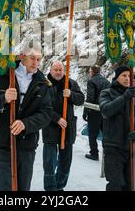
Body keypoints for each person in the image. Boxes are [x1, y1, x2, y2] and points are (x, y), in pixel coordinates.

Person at [0, 44, 52, 191]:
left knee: (23, 188)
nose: (36, 63)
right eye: (32, 58)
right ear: (21, 57)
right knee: (3, 188)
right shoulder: (3, 76)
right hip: (3, 143)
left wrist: (26, 124)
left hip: (27, 146)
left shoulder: (42, 82)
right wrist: (3, 99)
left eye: (39, 59)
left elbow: (46, 114)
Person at [99, 66, 135, 191]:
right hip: (113, 146)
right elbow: (106, 111)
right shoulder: (106, 93)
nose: (127, 78)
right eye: (124, 75)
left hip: (134, 147)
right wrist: (124, 97)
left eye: (129, 76)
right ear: (116, 77)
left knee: (134, 184)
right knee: (115, 184)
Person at [42, 61, 85, 191]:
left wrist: (71, 94)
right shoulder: (44, 84)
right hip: (50, 126)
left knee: (65, 162)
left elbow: (81, 99)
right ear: (50, 70)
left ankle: (60, 186)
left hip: (67, 127)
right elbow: (42, 106)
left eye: (61, 70)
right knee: (49, 162)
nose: (59, 72)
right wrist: (57, 118)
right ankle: (50, 188)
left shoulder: (70, 83)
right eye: (56, 70)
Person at [83, 65, 110, 161]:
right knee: (105, 133)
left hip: (94, 111)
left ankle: (94, 153)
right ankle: (107, 154)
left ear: (92, 72)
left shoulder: (91, 81)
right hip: (105, 110)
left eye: (90, 71)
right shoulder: (107, 82)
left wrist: (85, 111)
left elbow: (90, 97)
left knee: (93, 133)